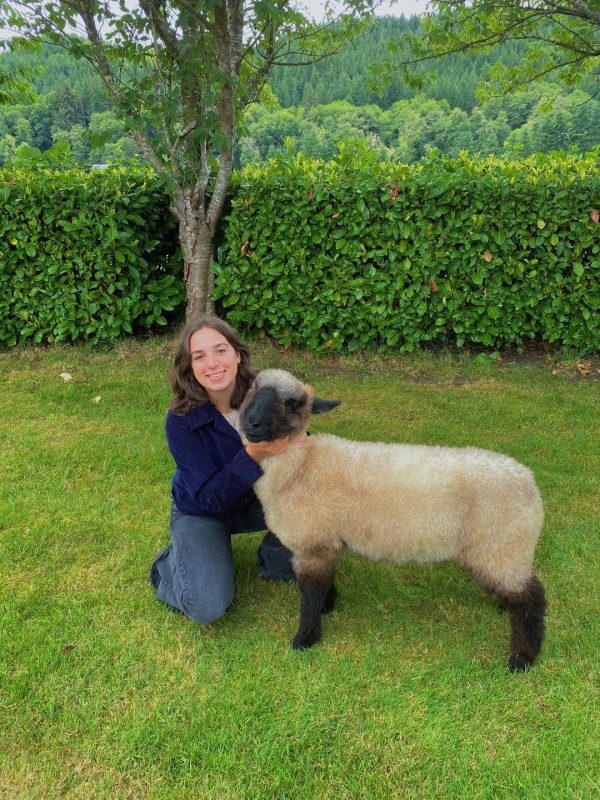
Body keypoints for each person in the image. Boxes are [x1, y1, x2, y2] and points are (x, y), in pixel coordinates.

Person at [149, 313, 295, 624]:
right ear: (189, 368)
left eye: (220, 350)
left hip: (254, 501)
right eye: (199, 356)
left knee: (316, 491)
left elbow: (301, 446)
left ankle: (276, 558)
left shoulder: (266, 393)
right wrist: (253, 454)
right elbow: (208, 498)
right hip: (203, 510)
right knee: (207, 607)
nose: (213, 363)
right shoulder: (180, 421)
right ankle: (169, 563)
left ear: (238, 355)